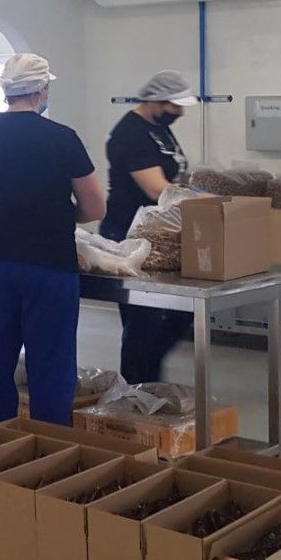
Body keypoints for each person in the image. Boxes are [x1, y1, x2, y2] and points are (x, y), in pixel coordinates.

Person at [0, 53, 106, 426]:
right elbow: (95, 206)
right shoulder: (62, 139)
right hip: (50, 266)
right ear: (42, 89)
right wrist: (57, 217)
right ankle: (49, 448)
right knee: (50, 363)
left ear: (6, 90)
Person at [101, 70, 198, 384]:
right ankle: (135, 391)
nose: (178, 112)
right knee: (144, 320)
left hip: (162, 236)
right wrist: (206, 200)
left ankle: (148, 383)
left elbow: (174, 175)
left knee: (180, 312)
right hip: (129, 235)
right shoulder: (130, 134)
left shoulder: (159, 129)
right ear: (155, 100)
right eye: (174, 105)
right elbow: (157, 189)